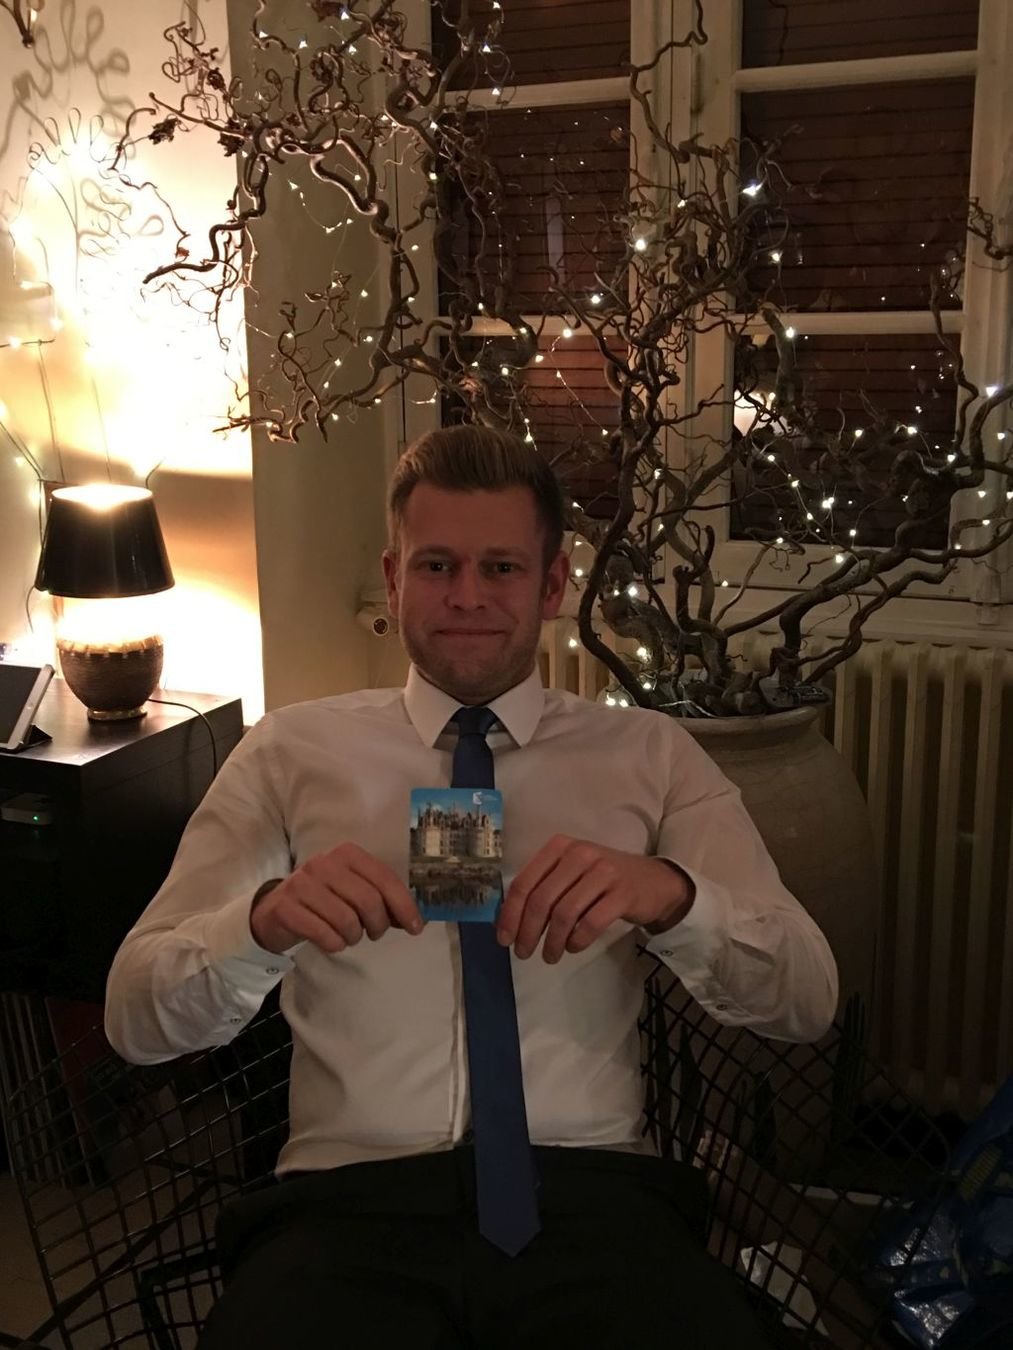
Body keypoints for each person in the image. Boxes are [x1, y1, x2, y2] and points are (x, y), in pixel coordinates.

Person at [105, 425, 837, 1349]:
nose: (465, 596)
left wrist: (672, 896)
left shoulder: (649, 755)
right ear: (394, 576)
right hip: (346, 1205)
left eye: (500, 568)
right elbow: (134, 1022)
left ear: (552, 584)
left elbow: (806, 1000)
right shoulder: (289, 752)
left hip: (591, 1198)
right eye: (437, 565)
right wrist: (259, 925)